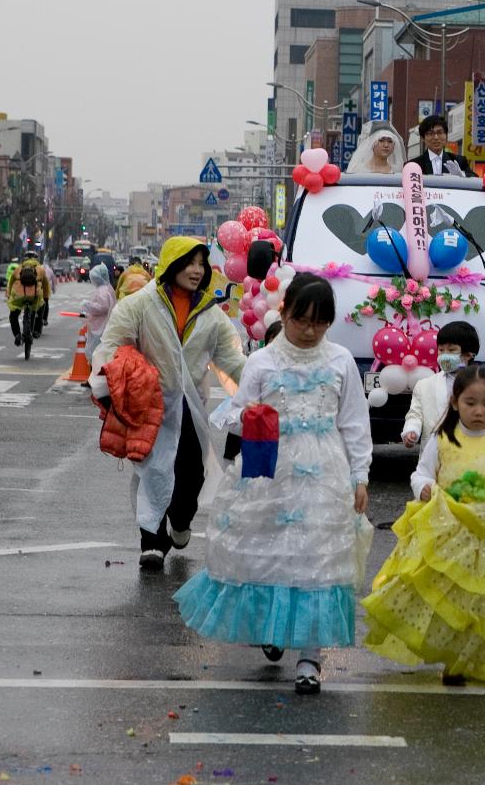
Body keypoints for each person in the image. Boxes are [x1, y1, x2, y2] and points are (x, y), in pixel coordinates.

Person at [173, 275, 372, 695]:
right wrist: (242, 417)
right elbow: (239, 408)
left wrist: (360, 475)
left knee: (316, 559)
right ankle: (273, 626)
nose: (310, 330)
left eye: (320, 323)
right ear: (284, 313)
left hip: (324, 470)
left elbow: (354, 423)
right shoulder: (262, 362)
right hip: (269, 469)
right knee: (271, 551)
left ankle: (311, 656)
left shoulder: (340, 362)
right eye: (302, 320)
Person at [363, 365, 485, 685]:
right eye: (470, 403)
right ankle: (453, 660)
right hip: (449, 526)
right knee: (451, 599)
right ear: (454, 403)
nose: (479, 411)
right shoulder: (443, 437)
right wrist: (422, 487)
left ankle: (481, 657)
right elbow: (422, 473)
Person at [90, 237, 247, 569]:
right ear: (172, 263)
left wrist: (262, 385)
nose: (196, 270)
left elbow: (232, 359)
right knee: (154, 471)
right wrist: (104, 387)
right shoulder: (139, 304)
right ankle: (151, 542)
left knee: (192, 472)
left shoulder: (209, 312)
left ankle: (181, 520)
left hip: (189, 404)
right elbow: (112, 343)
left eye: (202, 264)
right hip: (147, 402)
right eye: (190, 262)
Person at [401, 320, 479, 447]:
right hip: (434, 459)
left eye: (451, 350)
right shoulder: (424, 385)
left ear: (468, 354)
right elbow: (415, 414)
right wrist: (411, 430)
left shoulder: (482, 385)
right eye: (441, 350)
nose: (444, 355)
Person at [7, 254, 50, 345]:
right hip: (34, 297)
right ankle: (37, 331)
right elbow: (46, 286)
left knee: (13, 315)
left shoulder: (18, 269)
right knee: (41, 306)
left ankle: (17, 335)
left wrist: (9, 295)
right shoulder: (40, 270)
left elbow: (11, 282)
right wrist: (46, 297)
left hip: (19, 297)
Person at [409, 115, 473, 177]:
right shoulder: (413, 165)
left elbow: (475, 179)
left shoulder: (459, 161)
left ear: (446, 135)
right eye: (430, 133)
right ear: (423, 138)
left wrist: (461, 175)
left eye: (440, 132)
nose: (436, 137)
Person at [82, 263, 116, 363]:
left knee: (97, 353)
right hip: (104, 324)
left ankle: (96, 374)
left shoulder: (103, 290)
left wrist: (87, 305)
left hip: (100, 326)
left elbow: (102, 307)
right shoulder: (107, 288)